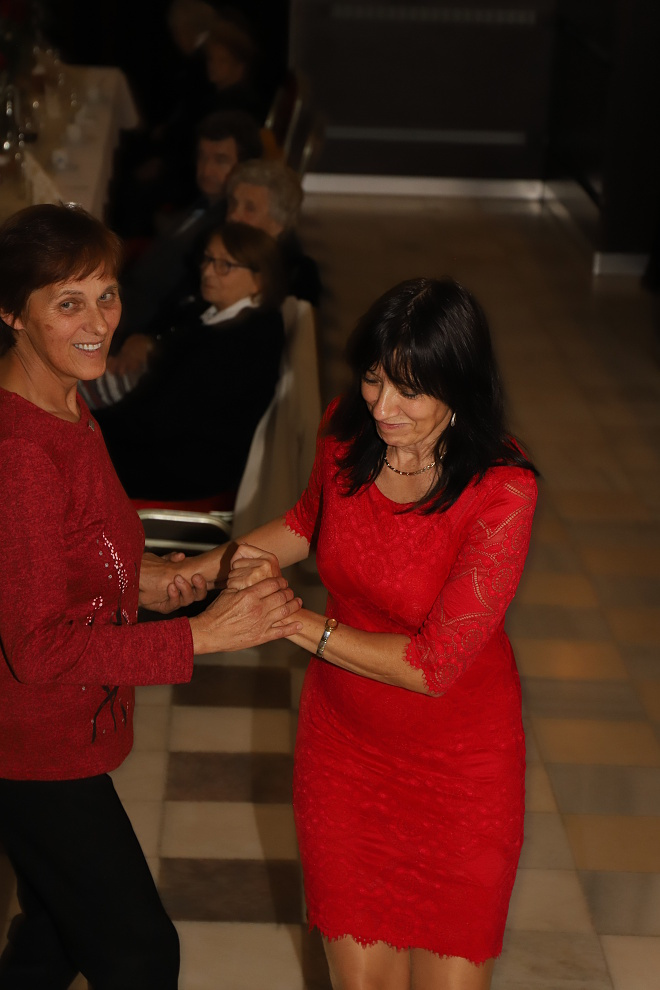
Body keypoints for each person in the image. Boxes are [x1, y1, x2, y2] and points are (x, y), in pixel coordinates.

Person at [157, 278, 539, 989]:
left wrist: (290, 621)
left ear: (459, 387)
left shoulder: (502, 490)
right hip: (345, 750)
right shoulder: (347, 432)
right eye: (373, 379)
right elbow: (307, 523)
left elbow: (432, 665)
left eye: (409, 391)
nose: (383, 407)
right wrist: (201, 571)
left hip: (461, 770)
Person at [0, 203, 301, 990]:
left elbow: (76, 553)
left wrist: (158, 582)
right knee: (139, 953)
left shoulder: (66, 402)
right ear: (12, 314)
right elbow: (37, 650)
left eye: (106, 295)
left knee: (55, 937)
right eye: (69, 303)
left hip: (55, 733)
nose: (99, 321)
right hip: (28, 746)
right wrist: (203, 636)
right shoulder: (21, 455)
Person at [96, 221, 286, 503]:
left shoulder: (239, 343)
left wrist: (90, 427)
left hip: (183, 467)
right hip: (167, 443)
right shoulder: (224, 316)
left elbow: (161, 419)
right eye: (208, 259)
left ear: (260, 279)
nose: (208, 271)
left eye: (225, 265)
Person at [110, 109, 264, 375]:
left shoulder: (225, 230)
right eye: (202, 157)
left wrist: (147, 338)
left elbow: (187, 306)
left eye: (220, 160)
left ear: (245, 167)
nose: (206, 170)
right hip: (122, 296)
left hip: (131, 324)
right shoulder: (203, 201)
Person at [226, 158, 322, 306]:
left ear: (278, 223)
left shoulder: (296, 274)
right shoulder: (212, 251)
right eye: (233, 203)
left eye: (249, 208)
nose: (233, 216)